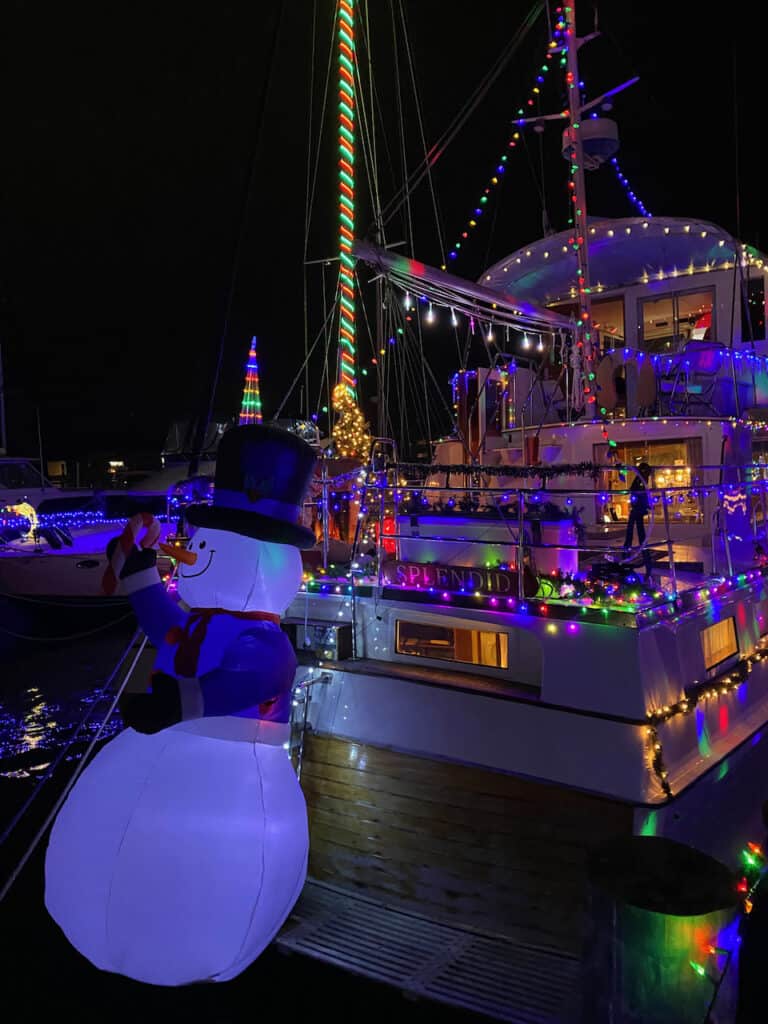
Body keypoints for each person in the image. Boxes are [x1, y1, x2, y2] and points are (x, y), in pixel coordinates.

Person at [623, 462, 653, 579]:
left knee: (635, 533)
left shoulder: (641, 480)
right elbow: (636, 492)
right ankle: (642, 561)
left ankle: (629, 557)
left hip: (638, 509)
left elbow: (636, 492)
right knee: (635, 533)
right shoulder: (641, 480)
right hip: (638, 509)